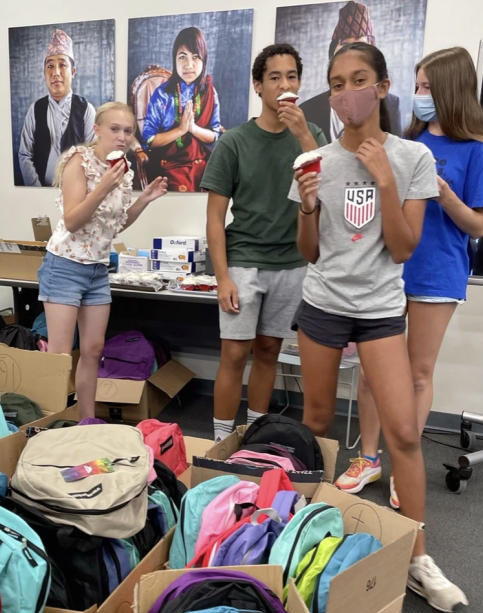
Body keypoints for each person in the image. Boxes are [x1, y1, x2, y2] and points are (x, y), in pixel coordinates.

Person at [291, 42, 467, 612]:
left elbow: (403, 246)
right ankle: (303, 537)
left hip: (380, 309)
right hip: (322, 303)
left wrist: (384, 180)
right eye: (336, 83)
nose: (346, 93)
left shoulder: (413, 156)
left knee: (405, 435)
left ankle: (417, 556)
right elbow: (309, 253)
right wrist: (309, 206)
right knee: (316, 423)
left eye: (358, 79)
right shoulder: (315, 160)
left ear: (383, 86)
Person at [338, 48, 483, 512]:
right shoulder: (402, 140)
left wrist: (444, 194)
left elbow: (479, 226)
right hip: (387, 266)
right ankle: (367, 457)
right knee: (372, 371)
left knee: (416, 373)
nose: (419, 95)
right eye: (417, 85)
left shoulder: (478, 150)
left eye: (428, 87)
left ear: (451, 89)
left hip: (438, 270)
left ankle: (400, 467)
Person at [201, 44, 326, 441]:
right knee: (235, 353)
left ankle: (254, 436)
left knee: (270, 350)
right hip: (244, 260)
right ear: (258, 85)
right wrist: (222, 276)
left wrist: (304, 133)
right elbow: (215, 219)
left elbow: (331, 184)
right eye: (274, 77)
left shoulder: (312, 135)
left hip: (292, 262)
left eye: (291, 77)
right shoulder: (234, 142)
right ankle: (222, 440)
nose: (284, 85)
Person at [39, 102, 168, 418]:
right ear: (97, 129)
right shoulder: (78, 162)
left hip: (97, 269)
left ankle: (86, 420)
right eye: (115, 129)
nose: (122, 137)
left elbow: (115, 224)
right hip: (65, 265)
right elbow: (72, 220)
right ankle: (52, 423)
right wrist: (104, 186)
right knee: (59, 355)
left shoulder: (121, 170)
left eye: (128, 131)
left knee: (93, 350)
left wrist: (145, 200)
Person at [298, 1, 402, 141]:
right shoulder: (308, 109)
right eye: (338, 85)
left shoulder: (391, 104)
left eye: (359, 81)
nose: (351, 52)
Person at [141, 27, 224, 192]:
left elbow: (215, 135)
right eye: (182, 57)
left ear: (204, 60)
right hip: (170, 167)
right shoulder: (163, 94)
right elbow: (148, 140)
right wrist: (181, 130)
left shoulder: (209, 91)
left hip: (203, 164)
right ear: (174, 60)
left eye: (195, 57)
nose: (189, 65)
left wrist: (193, 129)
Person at [17, 28, 98, 187]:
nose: (56, 73)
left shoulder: (86, 110)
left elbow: (94, 157)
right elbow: (24, 154)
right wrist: (36, 189)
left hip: (77, 194)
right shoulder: (35, 109)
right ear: (44, 72)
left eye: (62, 65)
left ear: (73, 72)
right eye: (50, 66)